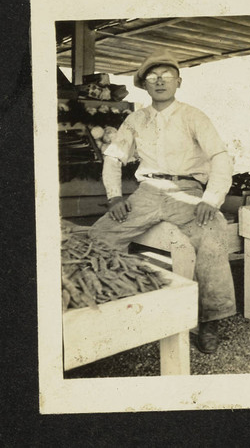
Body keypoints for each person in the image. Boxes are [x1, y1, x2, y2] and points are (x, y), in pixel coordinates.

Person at [89, 49, 236, 354]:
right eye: (152, 76)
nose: (160, 81)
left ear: (178, 81)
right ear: (144, 84)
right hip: (148, 193)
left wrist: (211, 198)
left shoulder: (193, 116)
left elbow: (220, 157)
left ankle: (210, 320)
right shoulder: (135, 118)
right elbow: (113, 158)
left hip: (188, 193)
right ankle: (111, 309)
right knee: (98, 238)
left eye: (167, 76)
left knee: (212, 237)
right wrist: (115, 197)